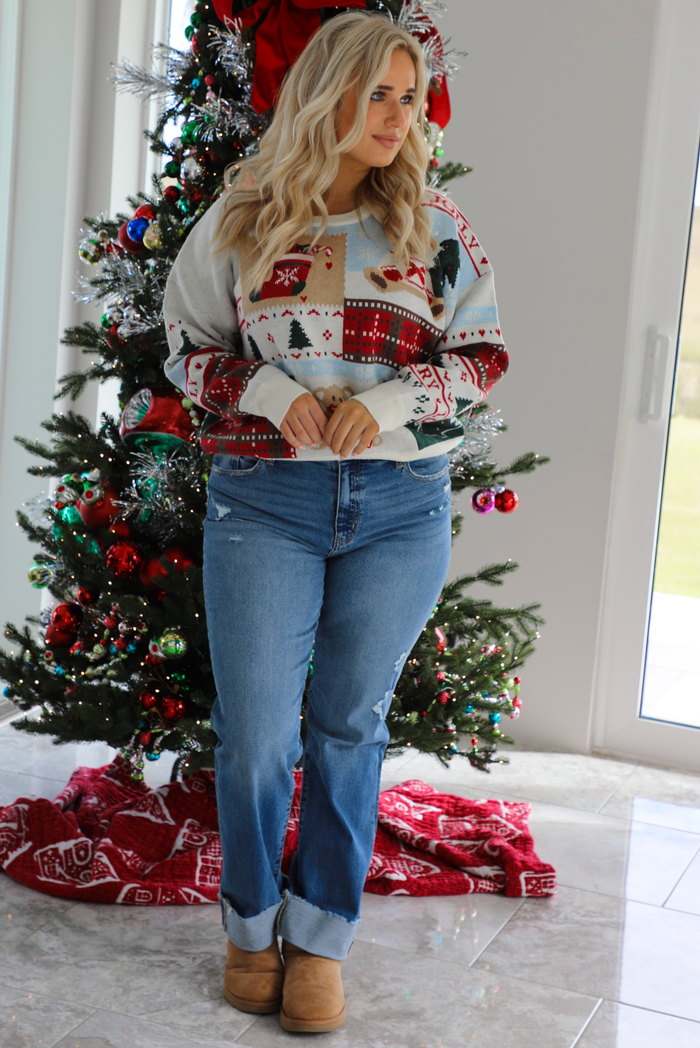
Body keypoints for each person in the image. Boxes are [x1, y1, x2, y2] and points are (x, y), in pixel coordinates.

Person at [163, 10, 508, 1034]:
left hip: (400, 507)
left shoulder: (436, 224)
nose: (399, 116)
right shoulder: (244, 213)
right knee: (261, 736)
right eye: (379, 95)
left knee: (349, 726)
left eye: (409, 97)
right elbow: (185, 346)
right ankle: (249, 926)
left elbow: (482, 357)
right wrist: (270, 393)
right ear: (329, 96)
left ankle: (318, 940)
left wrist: (395, 402)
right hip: (266, 499)